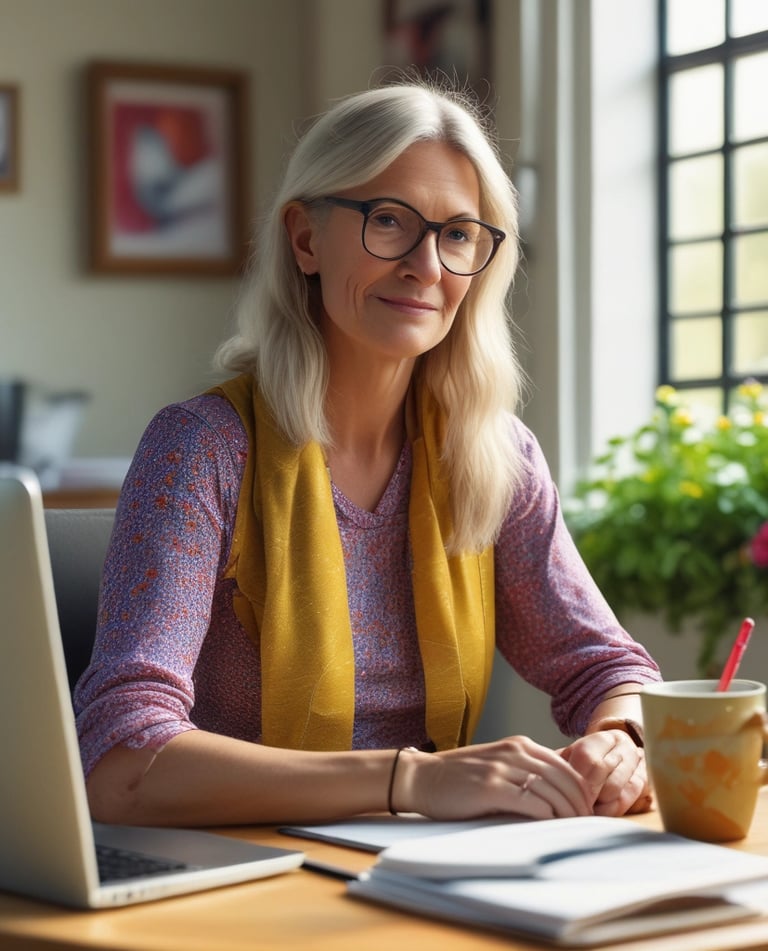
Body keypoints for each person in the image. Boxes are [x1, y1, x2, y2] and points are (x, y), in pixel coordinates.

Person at [74, 78, 661, 828]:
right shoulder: (202, 449)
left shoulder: (494, 455)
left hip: (424, 872)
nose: (427, 264)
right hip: (238, 877)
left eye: (457, 234)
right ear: (306, 238)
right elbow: (122, 765)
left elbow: (610, 667)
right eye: (390, 221)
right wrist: (406, 781)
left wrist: (619, 738)